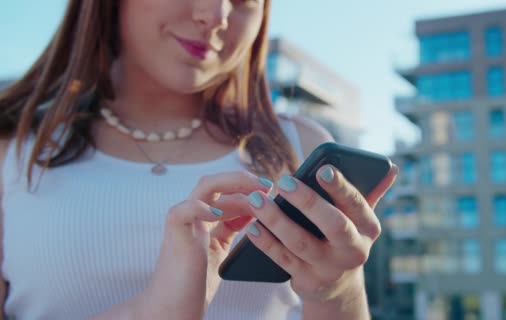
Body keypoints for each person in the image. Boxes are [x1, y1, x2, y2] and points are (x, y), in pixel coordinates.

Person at [0, 0, 398, 319]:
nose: (215, 15)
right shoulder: (10, 147)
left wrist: (338, 292)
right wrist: (148, 313)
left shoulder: (299, 145)